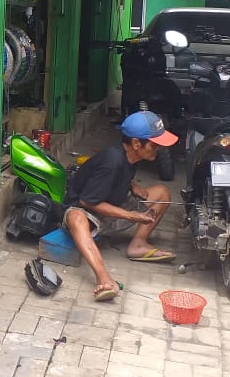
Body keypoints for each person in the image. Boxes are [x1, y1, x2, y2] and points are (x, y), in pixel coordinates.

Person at [63, 111, 178, 302]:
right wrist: (131, 215)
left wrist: (132, 185)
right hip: (87, 212)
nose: (158, 149)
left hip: (112, 205)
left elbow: (118, 174)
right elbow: (87, 201)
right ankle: (103, 277)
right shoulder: (112, 161)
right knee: (76, 218)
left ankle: (138, 244)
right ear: (136, 143)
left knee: (162, 193)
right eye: (154, 144)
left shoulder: (131, 155)